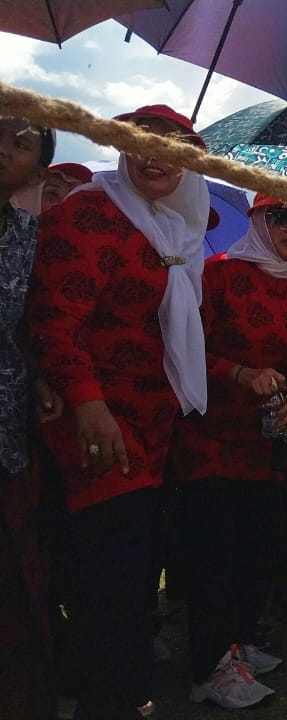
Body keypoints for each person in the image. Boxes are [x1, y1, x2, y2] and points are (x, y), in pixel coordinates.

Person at [28, 104, 210, 720]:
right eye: (143, 139)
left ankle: (121, 696)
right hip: (95, 428)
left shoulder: (175, 229)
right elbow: (54, 319)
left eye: (174, 145)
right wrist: (88, 403)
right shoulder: (89, 212)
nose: (157, 155)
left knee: (133, 575)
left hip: (153, 431)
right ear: (119, 144)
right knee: (108, 577)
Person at [172, 195, 287, 709]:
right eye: (281, 216)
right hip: (212, 435)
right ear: (259, 220)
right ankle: (208, 667)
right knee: (215, 553)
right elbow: (185, 343)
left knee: (257, 549)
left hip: (270, 439)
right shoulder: (216, 274)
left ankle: (239, 643)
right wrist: (240, 374)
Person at [0, 114, 60, 720]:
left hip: (7, 433)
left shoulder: (28, 236)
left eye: (18, 143)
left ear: (36, 170)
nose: (2, 150)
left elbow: (28, 328)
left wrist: (41, 375)